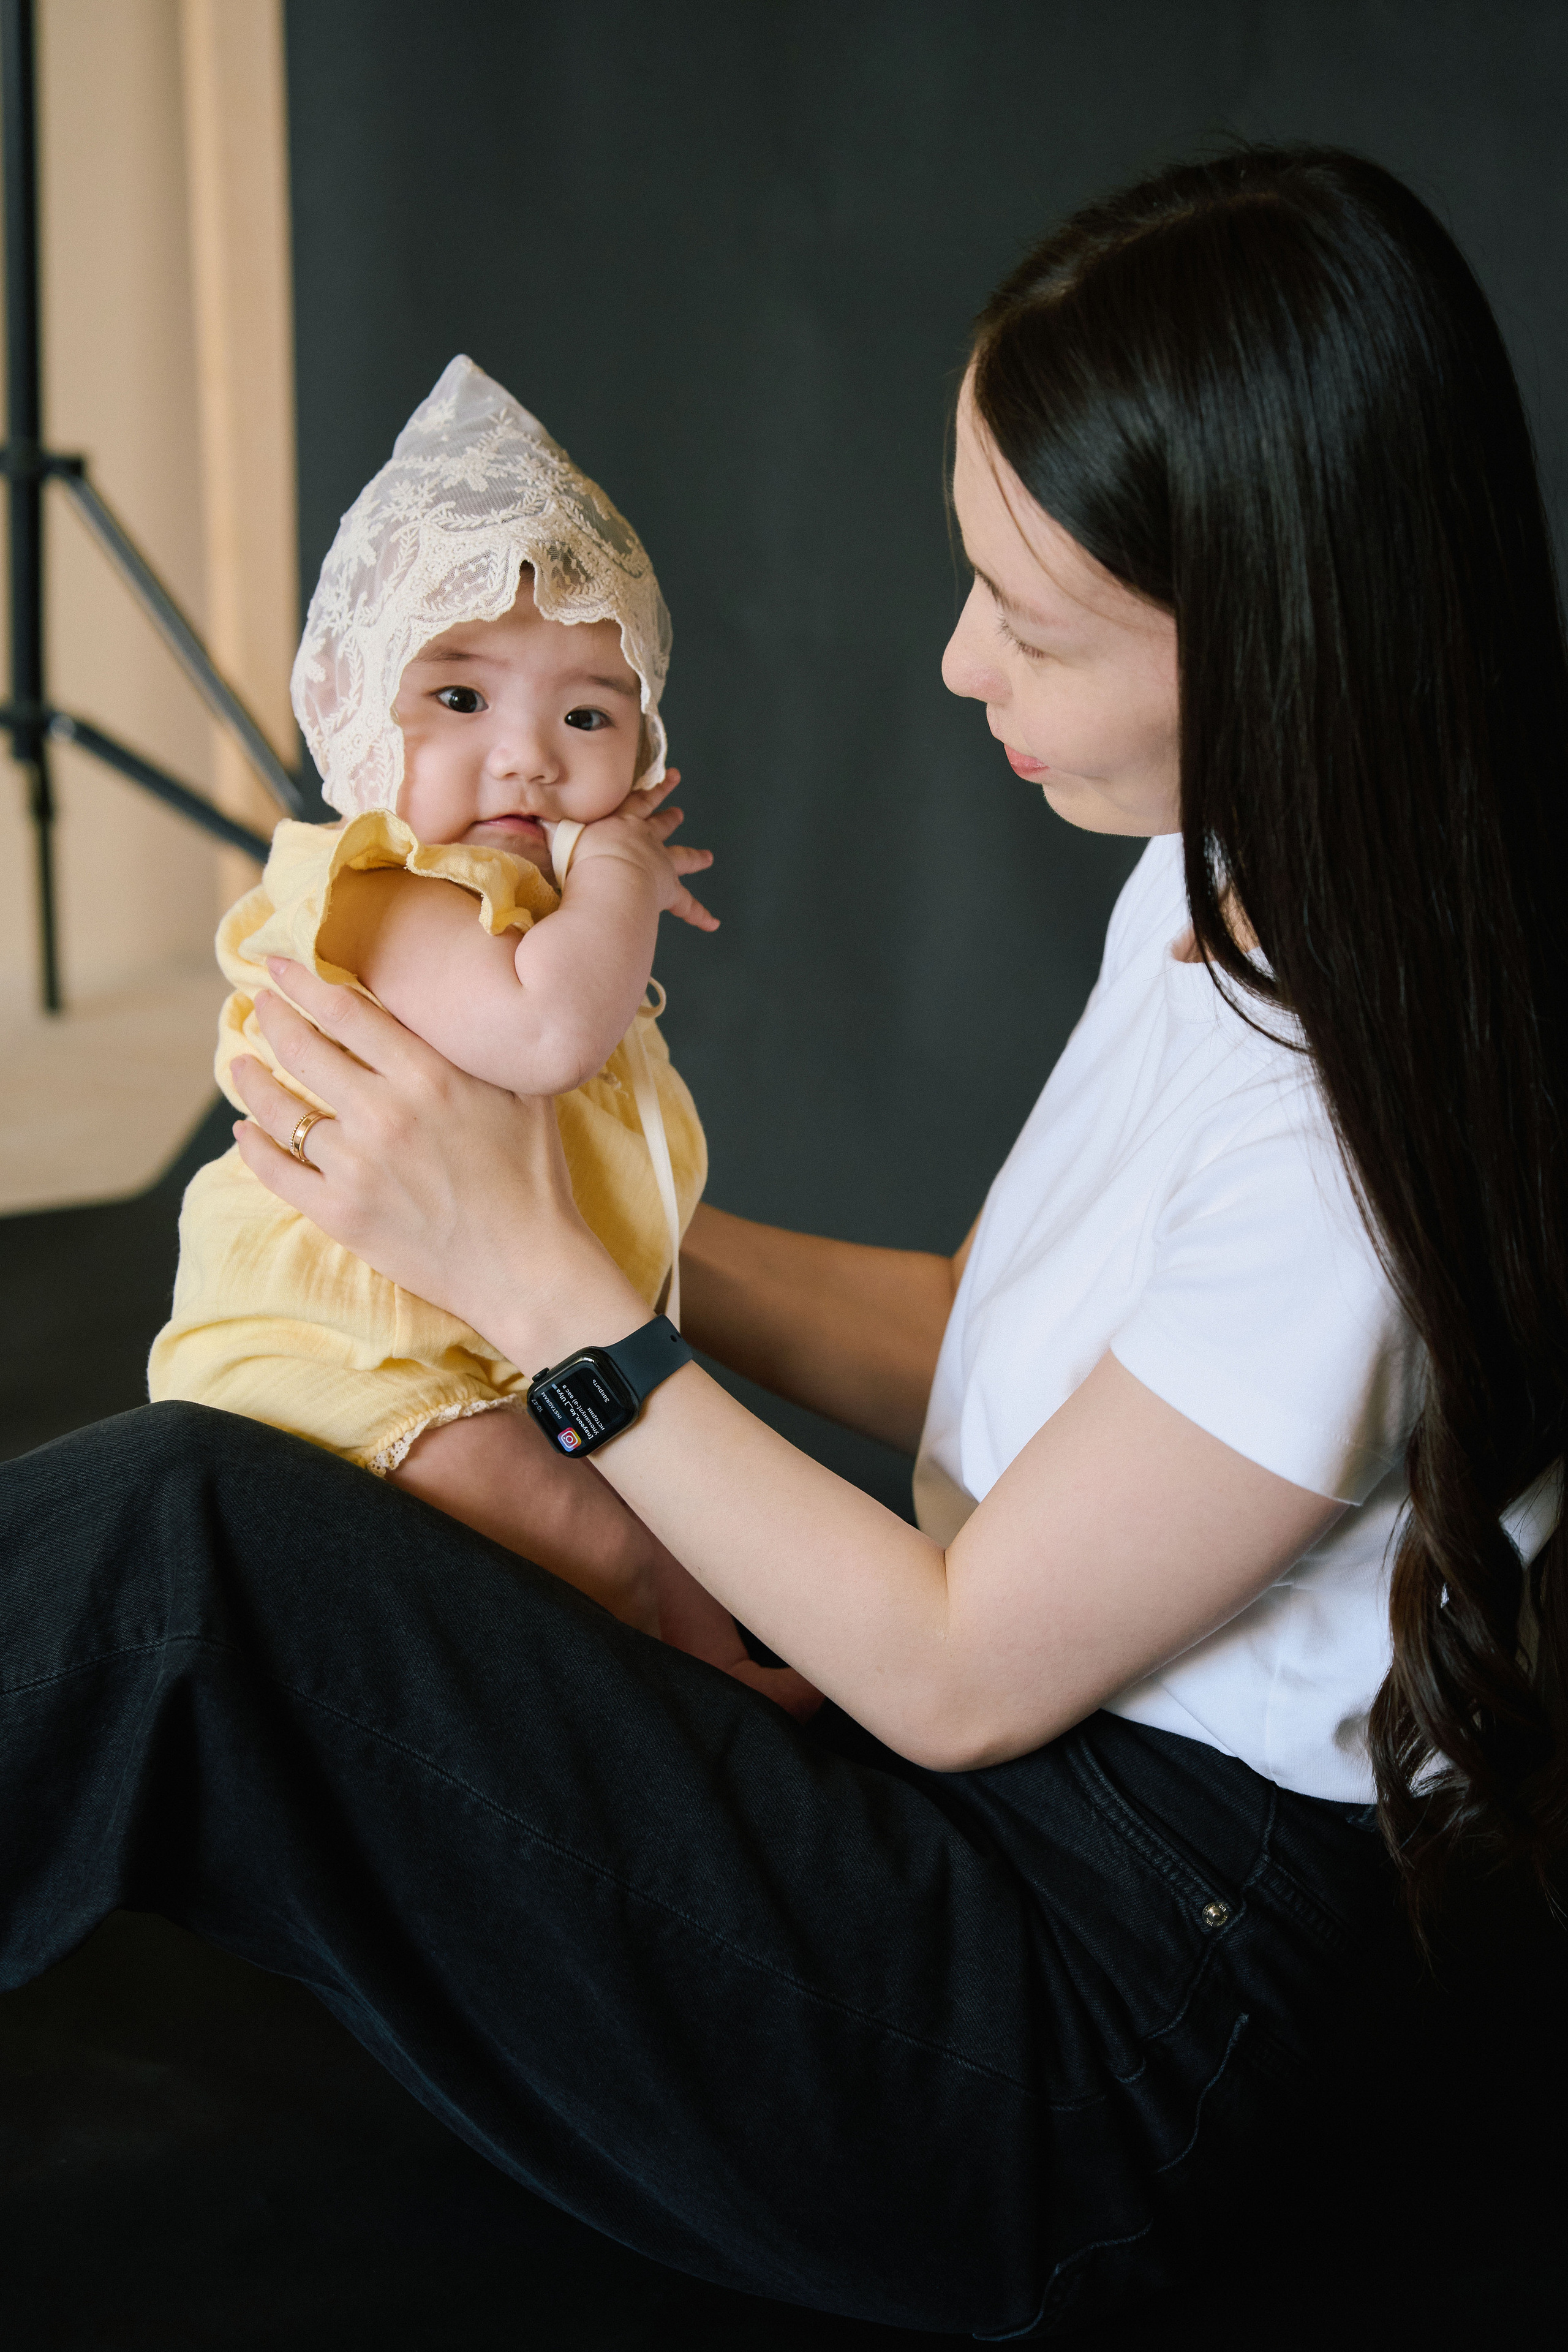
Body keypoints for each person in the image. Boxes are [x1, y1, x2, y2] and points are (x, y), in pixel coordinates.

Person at [2, 145, 1564, 2337]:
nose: (955, 660)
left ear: (1285, 641)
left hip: (1102, 2039)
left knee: (182, 1562)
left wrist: (539, 1282)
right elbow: (995, 1340)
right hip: (1011, 1804)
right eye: (968, 572)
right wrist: (517, 1201)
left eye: (1029, 622)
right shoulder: (1231, 871)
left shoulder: (1354, 1138)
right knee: (227, 1546)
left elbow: (952, 1672)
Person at [148, 358, 723, 1640]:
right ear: (352, 711)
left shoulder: (525, 915)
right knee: (604, 1551)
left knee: (676, 1529)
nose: (527, 758)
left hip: (487, 1354)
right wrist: (621, 872)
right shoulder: (380, 890)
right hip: (338, 1362)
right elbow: (547, 1031)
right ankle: (715, 1703)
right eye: (459, 699)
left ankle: (737, 1687)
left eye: (589, 716)